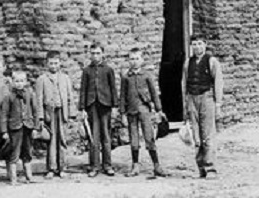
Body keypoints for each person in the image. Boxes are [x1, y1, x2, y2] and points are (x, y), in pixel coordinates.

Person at [119, 48, 167, 177]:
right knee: (134, 139)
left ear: (142, 60)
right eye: (132, 59)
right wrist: (122, 113)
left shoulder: (147, 75)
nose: (134, 62)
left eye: (137, 59)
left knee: (149, 137)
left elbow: (154, 94)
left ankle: (156, 165)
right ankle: (135, 166)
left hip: (144, 110)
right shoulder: (126, 77)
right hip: (131, 112)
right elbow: (122, 96)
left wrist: (159, 110)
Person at [181, 36, 223, 179]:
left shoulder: (211, 61)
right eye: (194, 44)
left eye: (200, 44)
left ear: (205, 45)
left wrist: (218, 105)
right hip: (192, 98)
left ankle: (211, 167)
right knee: (196, 136)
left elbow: (218, 83)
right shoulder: (188, 63)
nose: (197, 47)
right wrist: (185, 104)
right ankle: (201, 167)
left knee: (208, 134)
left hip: (207, 97)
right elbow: (184, 84)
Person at [78, 44, 118, 177]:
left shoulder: (108, 70)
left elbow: (113, 88)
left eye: (98, 53)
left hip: (105, 105)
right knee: (94, 137)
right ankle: (94, 166)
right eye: (93, 53)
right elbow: (83, 90)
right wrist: (82, 108)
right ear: (90, 54)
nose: (95, 56)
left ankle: (107, 165)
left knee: (106, 136)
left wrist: (115, 107)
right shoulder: (86, 71)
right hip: (92, 106)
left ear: (102, 54)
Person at [34, 51, 75, 179]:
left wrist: (71, 115)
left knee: (62, 140)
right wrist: (40, 117)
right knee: (51, 141)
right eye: (51, 63)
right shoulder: (42, 79)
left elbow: (70, 97)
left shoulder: (65, 78)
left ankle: (62, 168)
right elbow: (39, 100)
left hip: (62, 112)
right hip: (49, 113)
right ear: (47, 63)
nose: (53, 66)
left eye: (56, 63)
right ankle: (51, 168)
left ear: (60, 63)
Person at [0, 70, 40, 185]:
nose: (19, 83)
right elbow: (4, 114)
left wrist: (36, 128)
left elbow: (36, 111)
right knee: (15, 152)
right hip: (15, 128)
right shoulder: (8, 96)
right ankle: (13, 179)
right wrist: (4, 131)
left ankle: (29, 176)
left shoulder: (30, 94)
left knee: (27, 151)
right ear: (12, 82)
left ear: (26, 82)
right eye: (16, 81)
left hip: (28, 127)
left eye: (22, 81)